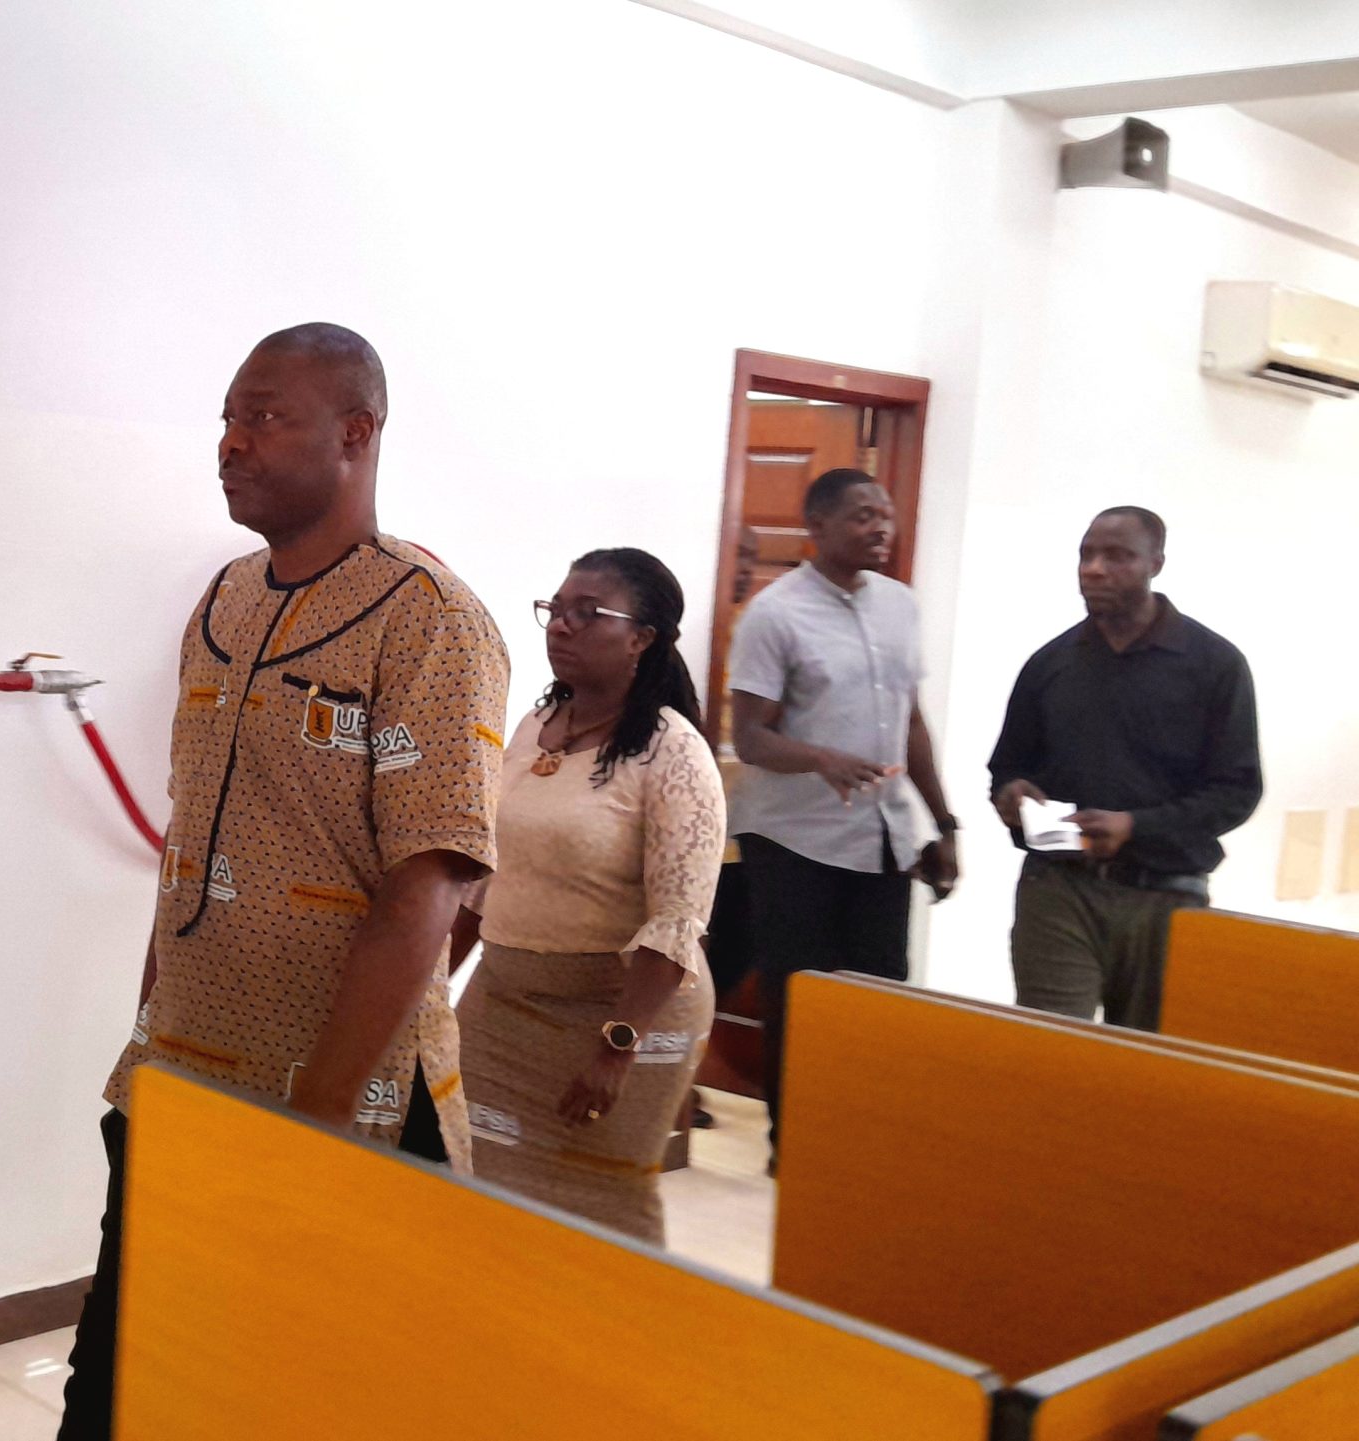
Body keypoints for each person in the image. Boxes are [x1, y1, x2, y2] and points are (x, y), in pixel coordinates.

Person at [57, 323, 512, 1441]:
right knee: (119, 1392)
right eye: (227, 418)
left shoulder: (430, 619)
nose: (230, 442)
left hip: (341, 1111)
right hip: (178, 1082)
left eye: (263, 416)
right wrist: (149, 1025)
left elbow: (425, 889)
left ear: (356, 433)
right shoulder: (223, 602)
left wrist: (314, 1123)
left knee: (302, 1399)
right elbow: (191, 837)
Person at [448, 548, 724, 1244]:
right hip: (504, 1005)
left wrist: (617, 1047)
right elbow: (485, 875)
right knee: (479, 1180)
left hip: (622, 1015)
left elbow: (677, 920)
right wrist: (430, 985)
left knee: (602, 1208)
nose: (560, 625)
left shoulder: (673, 753)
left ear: (641, 638)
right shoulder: (535, 725)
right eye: (555, 609)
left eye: (587, 613)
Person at [726, 468, 959, 1150]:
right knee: (798, 994)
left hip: (881, 833)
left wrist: (943, 823)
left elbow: (910, 721)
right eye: (862, 515)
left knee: (881, 992)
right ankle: (793, 1143)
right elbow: (752, 738)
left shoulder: (900, 606)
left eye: (884, 514)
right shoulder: (775, 613)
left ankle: (864, 1138)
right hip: (793, 839)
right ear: (817, 526)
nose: (880, 527)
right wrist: (822, 758)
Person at [989, 506, 1260, 1029]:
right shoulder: (1050, 664)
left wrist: (1135, 826)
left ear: (1156, 563)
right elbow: (1007, 768)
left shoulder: (1214, 665)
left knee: (1145, 1059)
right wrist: (1012, 793)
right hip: (1059, 885)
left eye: (1116, 556)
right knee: (1052, 1048)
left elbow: (1237, 791)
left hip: (1168, 894)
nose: (1094, 569)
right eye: (1086, 555)